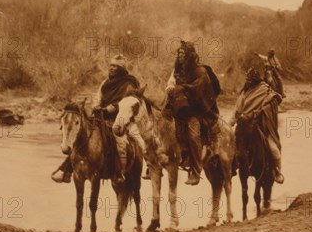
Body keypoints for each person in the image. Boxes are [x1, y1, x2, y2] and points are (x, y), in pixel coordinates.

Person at [52, 55, 147, 183]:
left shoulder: (128, 84)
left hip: (120, 120)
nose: (111, 69)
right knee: (82, 136)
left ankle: (119, 172)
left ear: (121, 69)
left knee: (120, 142)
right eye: (111, 66)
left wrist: (109, 109)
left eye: (115, 66)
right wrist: (96, 106)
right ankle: (67, 170)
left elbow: (126, 102)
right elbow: (98, 96)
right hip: (100, 117)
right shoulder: (106, 82)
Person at [164, 41, 221, 185]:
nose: (180, 56)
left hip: (198, 109)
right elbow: (171, 81)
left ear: (189, 55)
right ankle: (155, 160)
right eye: (179, 54)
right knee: (163, 125)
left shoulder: (200, 71)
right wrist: (171, 88)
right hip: (181, 107)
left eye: (183, 54)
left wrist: (182, 88)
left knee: (193, 133)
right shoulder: (178, 70)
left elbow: (199, 89)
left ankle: (196, 170)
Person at [229, 66, 284, 184]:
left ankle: (277, 171)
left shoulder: (265, 89)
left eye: (251, 79)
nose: (248, 82)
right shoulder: (244, 93)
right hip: (243, 125)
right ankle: (231, 169)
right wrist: (229, 124)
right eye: (247, 79)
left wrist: (259, 112)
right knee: (232, 147)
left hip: (262, 125)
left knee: (274, 150)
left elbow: (275, 101)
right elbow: (236, 110)